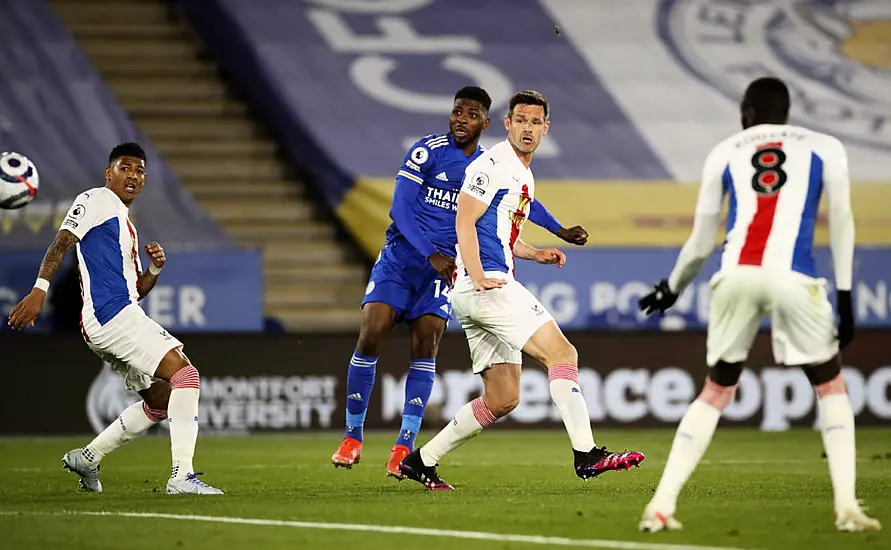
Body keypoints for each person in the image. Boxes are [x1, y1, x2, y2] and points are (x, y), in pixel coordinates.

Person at [636, 77, 880, 532]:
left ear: (746, 111)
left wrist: (672, 287)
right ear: (787, 111)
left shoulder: (725, 150)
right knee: (830, 386)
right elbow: (843, 220)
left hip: (736, 275)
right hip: (794, 276)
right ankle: (847, 507)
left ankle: (661, 504)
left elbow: (701, 239)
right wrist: (845, 295)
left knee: (716, 389)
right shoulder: (826, 146)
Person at [331, 86, 588, 478]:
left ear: (485, 122)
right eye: (456, 112)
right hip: (405, 260)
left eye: (470, 115)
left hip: (446, 269)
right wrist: (432, 253)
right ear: (505, 124)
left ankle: (405, 448)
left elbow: (516, 210)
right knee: (373, 333)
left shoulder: (490, 163)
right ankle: (352, 437)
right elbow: (400, 207)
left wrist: (550, 237)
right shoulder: (428, 151)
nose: (461, 121)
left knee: (429, 344)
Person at [398, 90, 645, 490]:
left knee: (503, 398)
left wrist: (535, 253)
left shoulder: (521, 171)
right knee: (563, 353)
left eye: (535, 122)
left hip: (481, 286)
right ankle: (587, 454)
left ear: (545, 129)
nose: (528, 128)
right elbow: (464, 220)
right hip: (486, 285)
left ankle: (421, 461)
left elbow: (493, 232)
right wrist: (477, 274)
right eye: (521, 121)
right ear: (507, 124)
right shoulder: (492, 163)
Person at [7, 142, 223, 496]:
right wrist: (39, 289)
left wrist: (154, 269)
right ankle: (182, 476)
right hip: (112, 317)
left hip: (112, 319)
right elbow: (61, 242)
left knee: (159, 402)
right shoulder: (94, 200)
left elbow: (135, 290)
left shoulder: (126, 228)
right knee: (186, 375)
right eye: (126, 168)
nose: (133, 176)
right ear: (110, 173)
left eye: (139, 171)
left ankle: (88, 457)